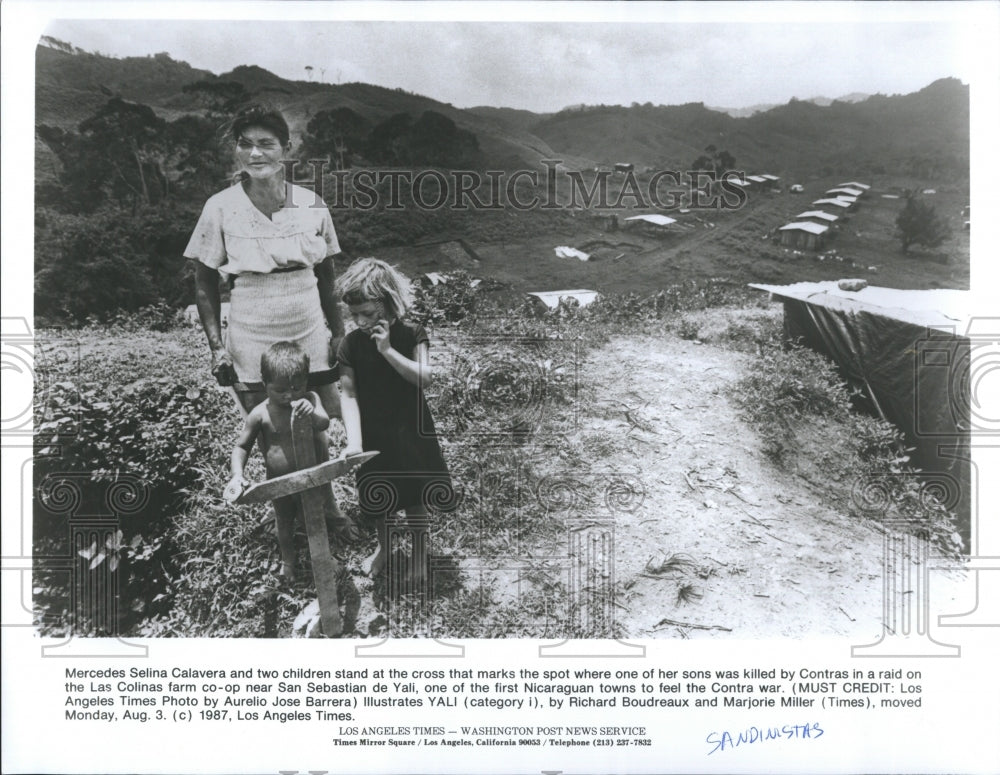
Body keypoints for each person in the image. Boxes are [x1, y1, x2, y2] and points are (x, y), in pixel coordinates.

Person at [185, 102, 343, 420]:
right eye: (245, 144)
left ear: (286, 148)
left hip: (309, 330)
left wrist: (338, 333)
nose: (255, 154)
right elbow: (204, 282)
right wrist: (217, 348)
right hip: (251, 335)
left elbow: (327, 276)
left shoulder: (311, 204)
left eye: (266, 144)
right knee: (268, 426)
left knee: (326, 419)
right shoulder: (220, 207)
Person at [336, 258, 452, 579]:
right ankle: (385, 547)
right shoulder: (350, 345)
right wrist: (355, 442)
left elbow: (424, 378)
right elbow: (349, 395)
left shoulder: (413, 334)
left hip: (410, 431)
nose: (360, 322)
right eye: (354, 315)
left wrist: (387, 351)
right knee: (379, 499)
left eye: (367, 313)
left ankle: (419, 552)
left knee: (414, 497)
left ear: (387, 303)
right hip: (373, 435)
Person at [227, 342, 344, 583]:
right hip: (278, 483)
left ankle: (323, 557)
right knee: (284, 522)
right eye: (280, 390)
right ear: (264, 383)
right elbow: (241, 447)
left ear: (306, 382)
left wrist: (311, 411)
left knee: (313, 519)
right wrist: (237, 475)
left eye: (296, 388)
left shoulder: (311, 398)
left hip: (310, 479)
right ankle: (287, 560)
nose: (289, 395)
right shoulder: (260, 413)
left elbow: (323, 423)